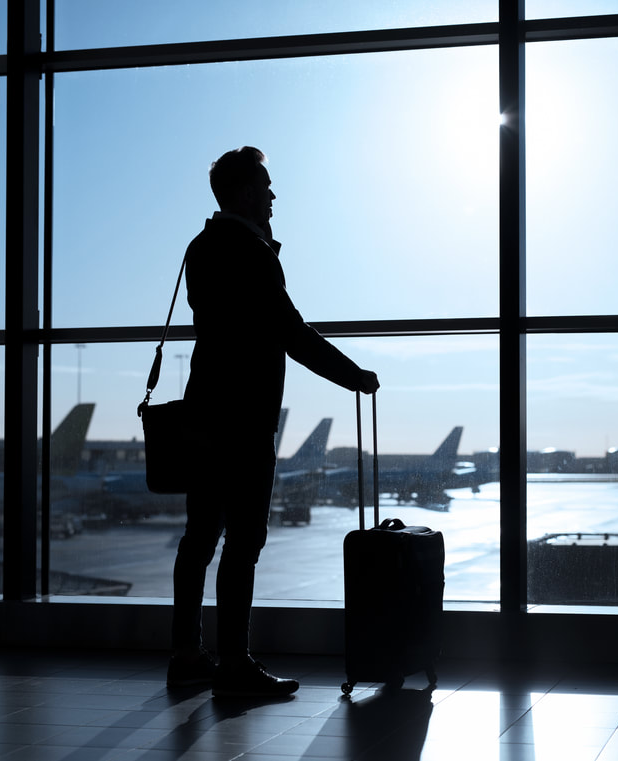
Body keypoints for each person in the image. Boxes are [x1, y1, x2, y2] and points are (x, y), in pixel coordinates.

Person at [166, 146, 379, 699]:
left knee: (199, 539)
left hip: (203, 411)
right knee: (244, 540)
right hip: (244, 419)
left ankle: (187, 653)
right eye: (264, 185)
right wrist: (351, 374)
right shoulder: (251, 252)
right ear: (240, 192)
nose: (272, 195)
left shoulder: (201, 247)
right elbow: (291, 331)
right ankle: (234, 662)